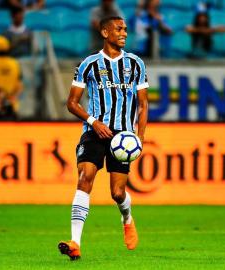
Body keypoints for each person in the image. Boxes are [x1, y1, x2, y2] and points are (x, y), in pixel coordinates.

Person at [58, 16, 149, 261]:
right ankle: (75, 242)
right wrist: (93, 122)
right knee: (84, 177)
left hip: (123, 137)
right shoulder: (89, 64)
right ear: (105, 32)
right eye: (119, 29)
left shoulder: (136, 64)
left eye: (126, 29)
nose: (124, 33)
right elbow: (72, 103)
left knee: (117, 193)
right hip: (94, 131)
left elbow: (143, 104)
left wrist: (140, 137)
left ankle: (127, 218)